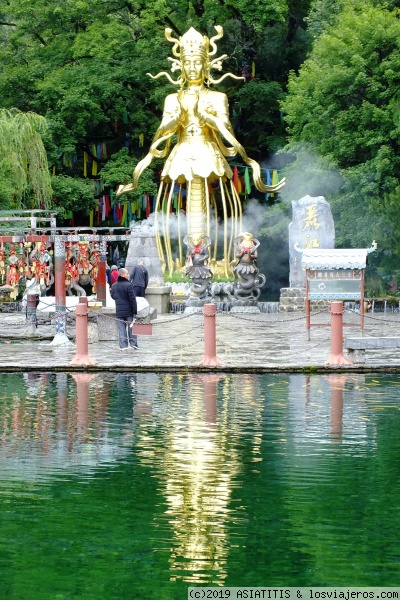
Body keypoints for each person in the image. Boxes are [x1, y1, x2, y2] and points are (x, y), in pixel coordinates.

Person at [116, 26, 285, 276]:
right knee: (178, 201)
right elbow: (163, 130)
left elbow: (226, 128)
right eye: (188, 63)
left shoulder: (217, 97)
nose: (193, 68)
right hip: (183, 150)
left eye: (198, 63)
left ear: (206, 66)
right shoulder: (173, 98)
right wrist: (180, 116)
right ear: (181, 66)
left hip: (208, 150)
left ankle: (219, 263)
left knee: (220, 201)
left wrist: (208, 117)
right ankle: (180, 263)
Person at [110, 267, 138, 350]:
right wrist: (135, 311)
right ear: (122, 275)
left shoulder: (114, 285)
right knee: (131, 328)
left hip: (119, 311)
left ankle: (123, 346)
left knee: (121, 329)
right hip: (129, 311)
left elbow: (112, 296)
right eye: (127, 273)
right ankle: (133, 344)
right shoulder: (129, 285)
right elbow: (133, 299)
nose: (128, 275)